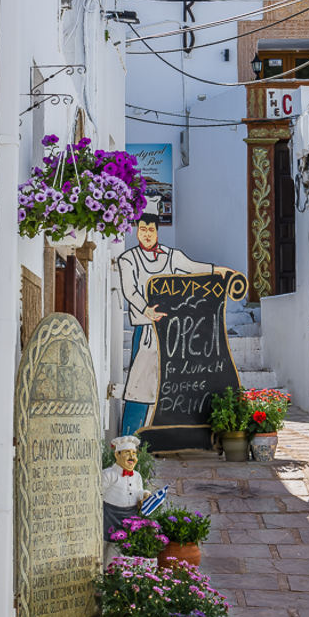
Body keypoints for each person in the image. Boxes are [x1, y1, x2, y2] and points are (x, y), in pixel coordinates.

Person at [117, 200, 229, 433]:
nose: (147, 234)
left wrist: (218, 271)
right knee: (139, 386)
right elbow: (130, 290)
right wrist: (146, 309)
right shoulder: (128, 259)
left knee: (170, 387)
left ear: (157, 230)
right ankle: (130, 439)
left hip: (171, 332)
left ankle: (164, 435)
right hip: (147, 332)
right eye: (142, 229)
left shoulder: (170, 256)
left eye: (151, 229)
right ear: (137, 230)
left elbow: (191, 266)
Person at [102, 435, 145, 563]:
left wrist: (144, 495)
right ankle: (99, 572)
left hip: (129, 516)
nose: (132, 457)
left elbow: (138, 491)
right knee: (103, 544)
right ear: (117, 455)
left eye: (134, 453)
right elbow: (97, 494)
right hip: (109, 514)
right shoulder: (109, 475)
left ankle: (113, 572)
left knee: (119, 546)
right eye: (127, 453)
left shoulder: (137, 476)